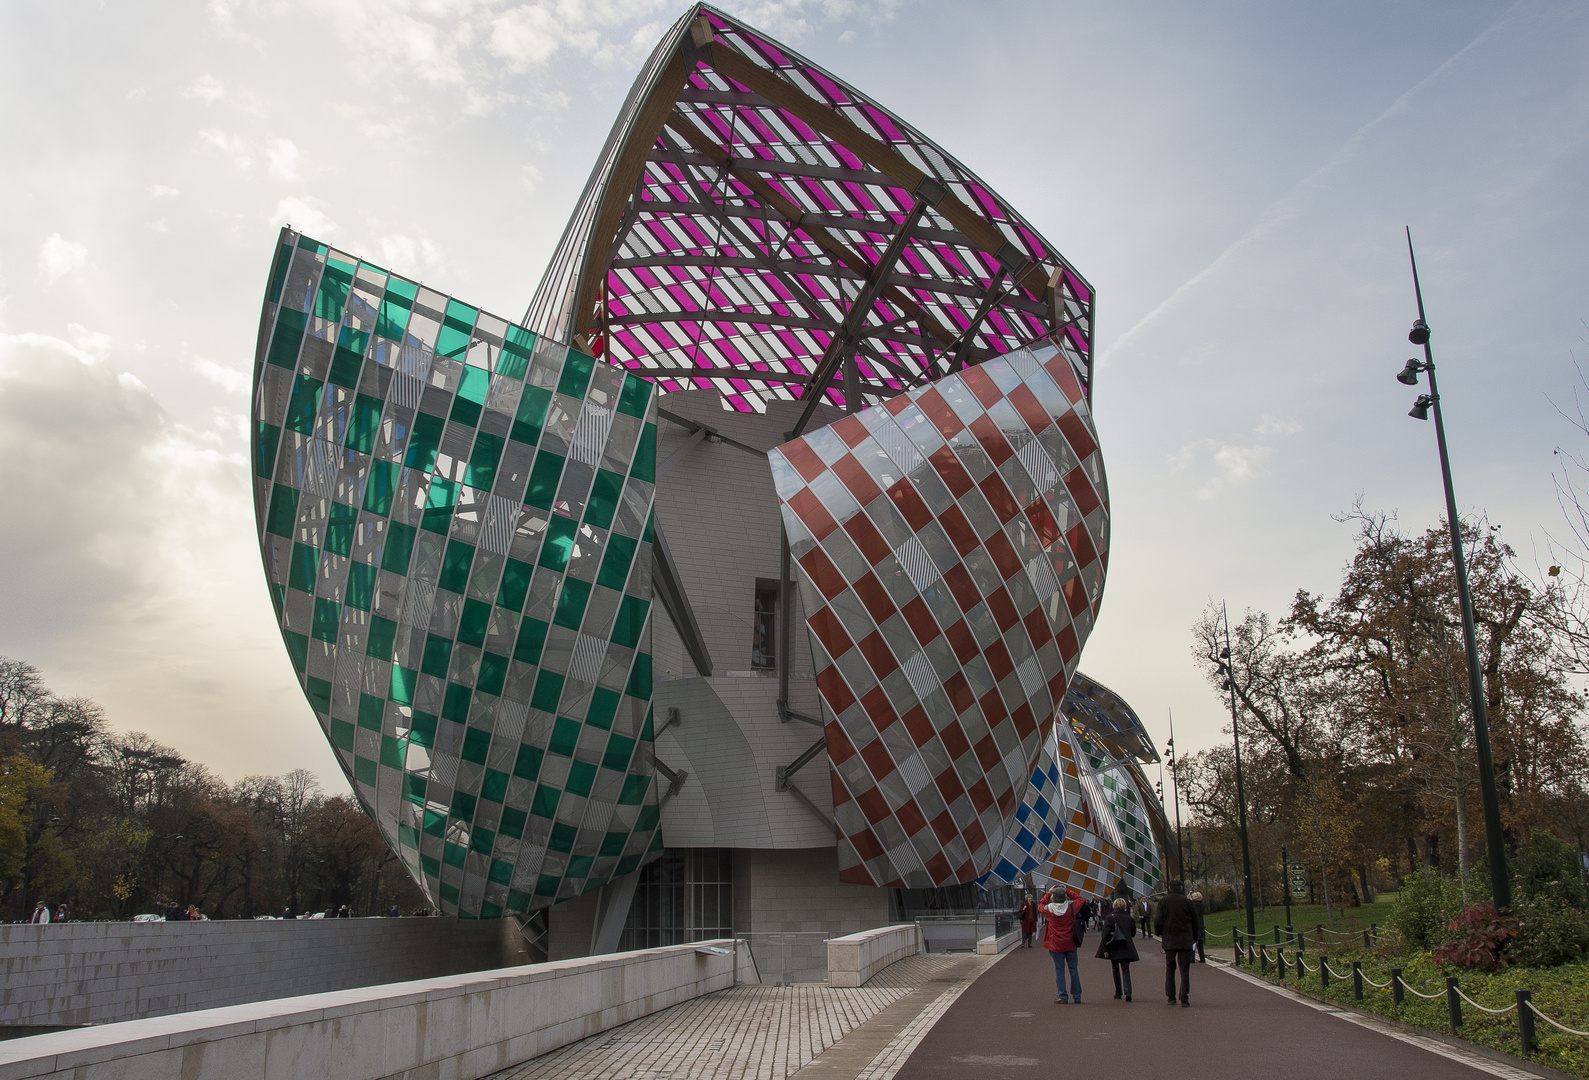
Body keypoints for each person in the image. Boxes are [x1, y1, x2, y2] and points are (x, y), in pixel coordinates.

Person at [1155, 879, 1204, 1007]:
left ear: (1170, 888)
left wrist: (1160, 933)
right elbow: (1195, 922)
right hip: (1184, 939)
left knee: (1170, 968)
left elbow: (1158, 921)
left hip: (1170, 939)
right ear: (1181, 888)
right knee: (1184, 970)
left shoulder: (1163, 902)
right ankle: (1184, 997)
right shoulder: (1187, 902)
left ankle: (1171, 996)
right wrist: (1193, 937)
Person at [1041, 885, 1083, 1004]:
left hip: (1056, 943)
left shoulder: (1048, 909)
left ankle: (1063, 996)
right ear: (1065, 896)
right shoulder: (1071, 907)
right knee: (1073, 969)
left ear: (1053, 897)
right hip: (1070, 942)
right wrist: (1068, 890)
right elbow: (1080, 900)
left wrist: (1048, 894)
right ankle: (1077, 995)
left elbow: (1040, 905)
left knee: (1059, 970)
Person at [1095, 897, 1140, 1000]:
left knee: (1115, 970)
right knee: (1125, 969)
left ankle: (1118, 992)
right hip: (1126, 946)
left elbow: (1105, 935)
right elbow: (1132, 933)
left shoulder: (1110, 917)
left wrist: (1105, 949)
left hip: (1113, 945)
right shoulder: (1129, 918)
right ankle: (1128, 991)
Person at [1190, 891, 1207, 963]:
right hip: (1201, 924)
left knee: (1193, 943)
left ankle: (1192, 958)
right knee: (1200, 943)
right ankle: (1202, 958)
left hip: (1194, 925)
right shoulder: (1202, 906)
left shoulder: (1193, 906)